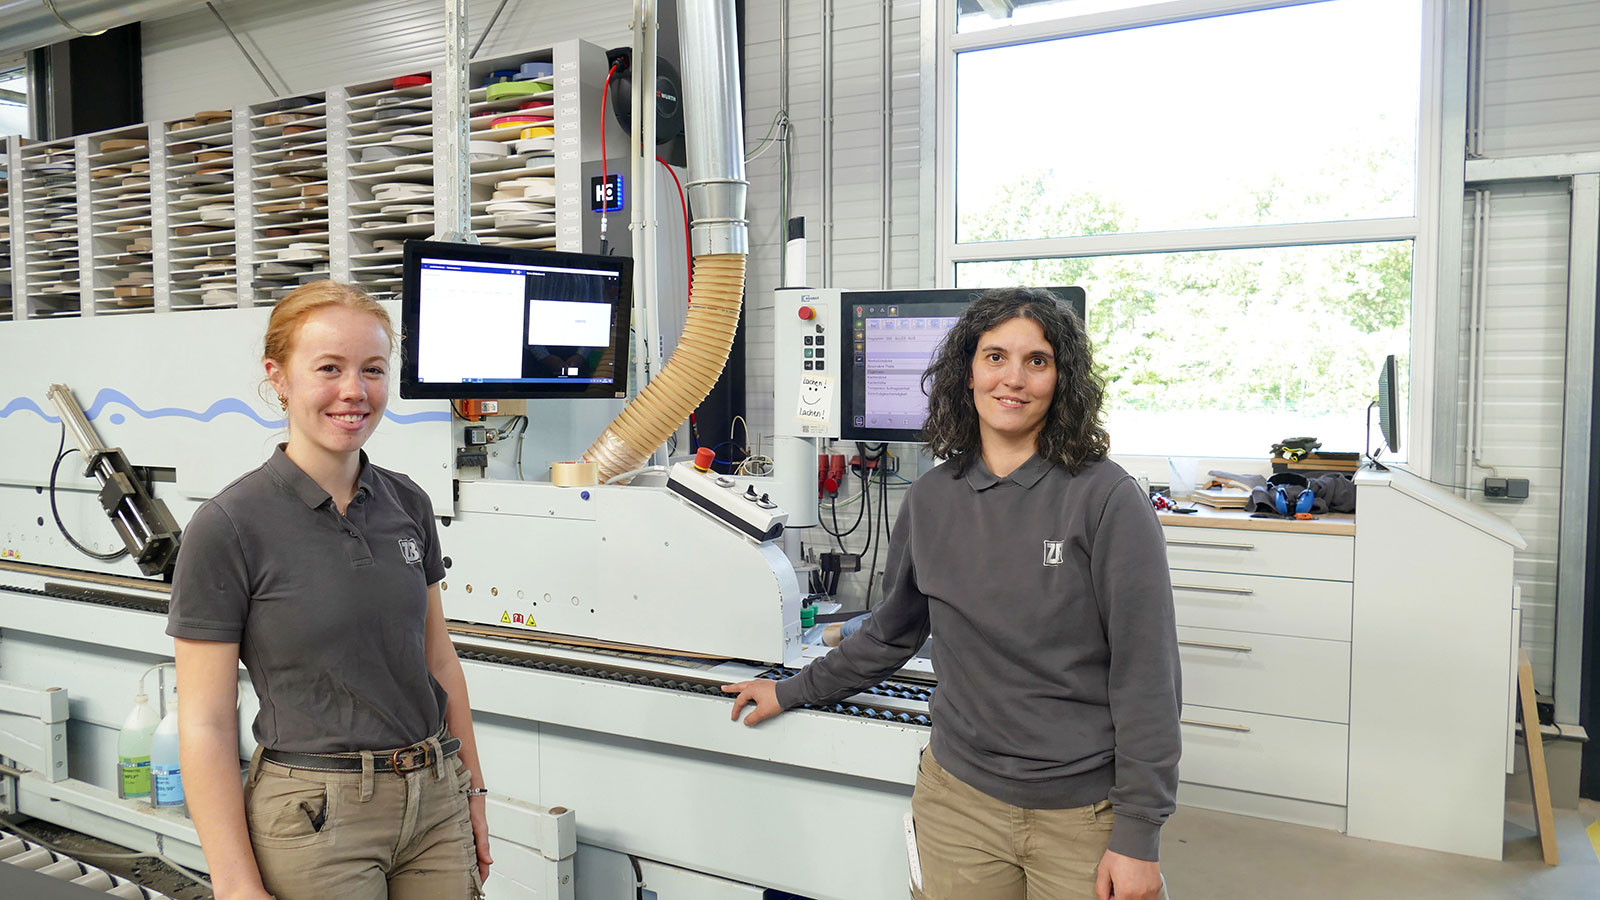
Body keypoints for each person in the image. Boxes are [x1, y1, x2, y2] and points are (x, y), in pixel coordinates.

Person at [723, 287, 1181, 900]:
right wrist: (788, 690)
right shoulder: (932, 498)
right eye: (995, 357)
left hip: (1081, 812)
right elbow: (891, 632)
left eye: (1037, 361)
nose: (1013, 379)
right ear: (967, 373)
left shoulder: (1105, 499)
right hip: (958, 801)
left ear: (1061, 379)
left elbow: (1147, 676)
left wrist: (1138, 835)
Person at [168, 281, 492, 900]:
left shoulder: (407, 502)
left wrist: (472, 792)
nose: (355, 391)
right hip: (314, 813)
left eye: (372, 370)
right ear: (279, 377)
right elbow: (205, 722)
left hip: (433, 800)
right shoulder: (229, 525)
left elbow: (439, 661)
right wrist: (235, 884)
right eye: (329, 369)